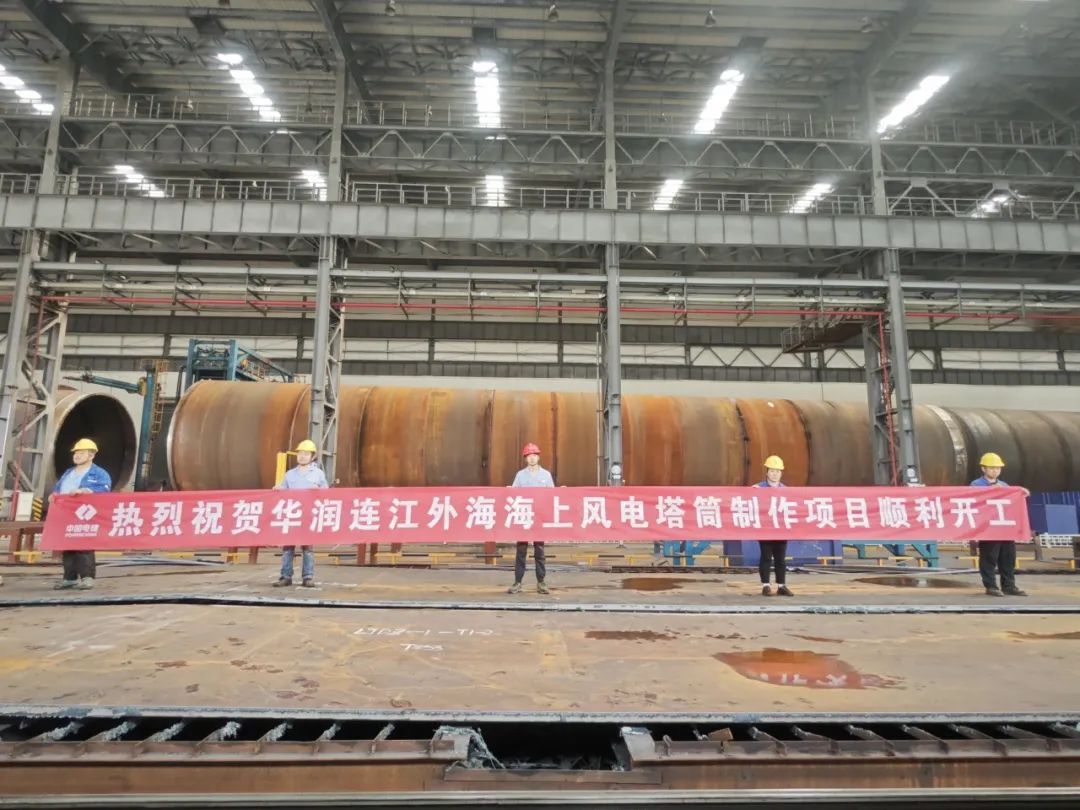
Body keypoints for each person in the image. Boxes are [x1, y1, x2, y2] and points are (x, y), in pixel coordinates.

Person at [50, 438, 112, 590]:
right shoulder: (68, 473)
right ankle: (69, 578)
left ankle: (87, 577)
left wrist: (86, 491)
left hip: (85, 515)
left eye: (81, 453)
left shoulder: (99, 474)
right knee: (68, 546)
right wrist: (54, 495)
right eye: (76, 453)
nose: (77, 455)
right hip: (67, 515)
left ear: (91, 455)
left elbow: (105, 489)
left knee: (84, 546)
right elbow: (58, 488)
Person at [273, 439, 328, 588]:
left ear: (312, 456)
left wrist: (319, 491)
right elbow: (283, 490)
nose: (302, 456)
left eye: (306, 454)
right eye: (300, 453)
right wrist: (278, 489)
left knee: (307, 549)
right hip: (291, 516)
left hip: (308, 516)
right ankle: (285, 577)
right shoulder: (290, 474)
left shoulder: (318, 474)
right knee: (287, 549)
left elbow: (327, 493)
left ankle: (308, 577)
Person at [972, 452, 1027, 598]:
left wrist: (1020, 492)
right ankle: (991, 586)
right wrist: (992, 490)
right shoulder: (976, 485)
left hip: (1005, 528)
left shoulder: (1004, 485)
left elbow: (1013, 498)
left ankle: (1009, 585)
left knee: (1008, 558)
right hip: (988, 528)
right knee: (989, 558)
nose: (995, 471)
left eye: (997, 468)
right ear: (983, 469)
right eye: (991, 468)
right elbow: (976, 500)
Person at [507, 442, 553, 595]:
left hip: (539, 518)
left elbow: (552, 495)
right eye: (529, 456)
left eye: (534, 455)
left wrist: (563, 493)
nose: (532, 458)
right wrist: (508, 491)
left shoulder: (546, 475)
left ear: (538, 457)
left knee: (539, 551)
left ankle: (541, 582)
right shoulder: (520, 475)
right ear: (525, 458)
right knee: (521, 551)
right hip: (524, 517)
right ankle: (517, 582)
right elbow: (513, 493)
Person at [754, 455, 793, 597]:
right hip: (765, 529)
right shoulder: (758, 489)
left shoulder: (787, 491)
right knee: (766, 557)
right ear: (767, 472)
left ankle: (781, 585)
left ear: (781, 473)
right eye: (772, 471)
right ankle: (766, 585)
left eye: (777, 471)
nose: (775, 474)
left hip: (781, 530)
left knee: (780, 559)